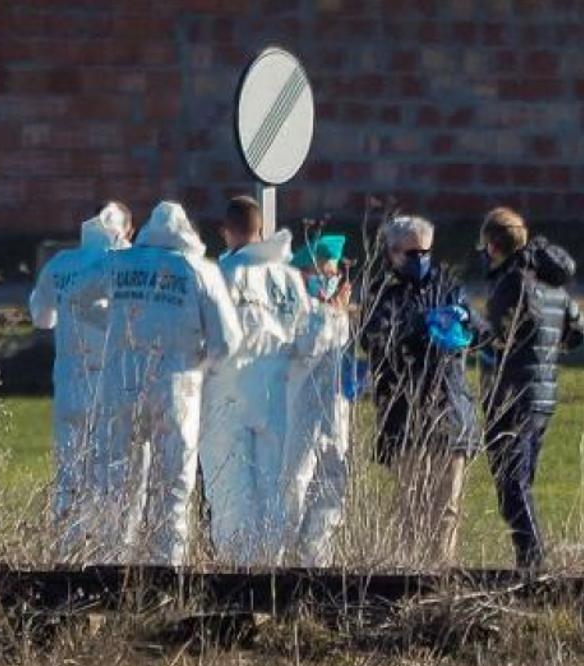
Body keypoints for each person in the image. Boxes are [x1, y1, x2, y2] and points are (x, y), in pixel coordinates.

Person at [71, 201, 241, 563]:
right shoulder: (200, 270)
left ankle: (113, 566)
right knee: (174, 485)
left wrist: (113, 334)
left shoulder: (120, 263)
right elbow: (227, 340)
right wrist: (200, 364)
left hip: (119, 384)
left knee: (117, 482)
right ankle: (166, 571)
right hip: (177, 388)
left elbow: (79, 295)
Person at [359, 215, 481, 566]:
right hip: (406, 417)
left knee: (447, 509)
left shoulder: (449, 288)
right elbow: (373, 338)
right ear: (392, 254)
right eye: (409, 253)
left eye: (424, 252)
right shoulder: (383, 294)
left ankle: (440, 576)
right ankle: (408, 578)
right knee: (412, 509)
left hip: (449, 412)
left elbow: (480, 331)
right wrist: (417, 326)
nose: (418, 260)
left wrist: (464, 319)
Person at [199, 196, 309, 566]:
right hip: (274, 393)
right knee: (273, 488)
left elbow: (207, 336)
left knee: (230, 489)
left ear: (225, 232)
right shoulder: (289, 279)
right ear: (259, 228)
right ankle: (272, 570)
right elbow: (305, 338)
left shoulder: (222, 276)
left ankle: (237, 573)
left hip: (226, 394)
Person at [476, 207, 583, 569]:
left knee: (510, 484)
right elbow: (575, 334)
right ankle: (532, 561)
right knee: (521, 481)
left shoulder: (513, 282)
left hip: (513, 395)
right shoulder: (552, 282)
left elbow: (496, 338)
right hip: (543, 396)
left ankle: (534, 562)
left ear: (492, 245)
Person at [29, 202, 132, 554]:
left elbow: (42, 317)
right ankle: (110, 553)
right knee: (111, 474)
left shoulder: (61, 265)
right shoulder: (125, 264)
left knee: (70, 474)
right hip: (110, 383)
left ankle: (68, 551)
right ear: (127, 231)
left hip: (70, 384)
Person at [281, 234, 352, 566]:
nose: (329, 280)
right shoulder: (300, 310)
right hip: (301, 410)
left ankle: (317, 560)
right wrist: (328, 314)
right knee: (295, 482)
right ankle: (283, 555)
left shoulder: (337, 312)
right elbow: (305, 352)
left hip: (334, 414)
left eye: (333, 273)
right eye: (322, 273)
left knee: (332, 485)